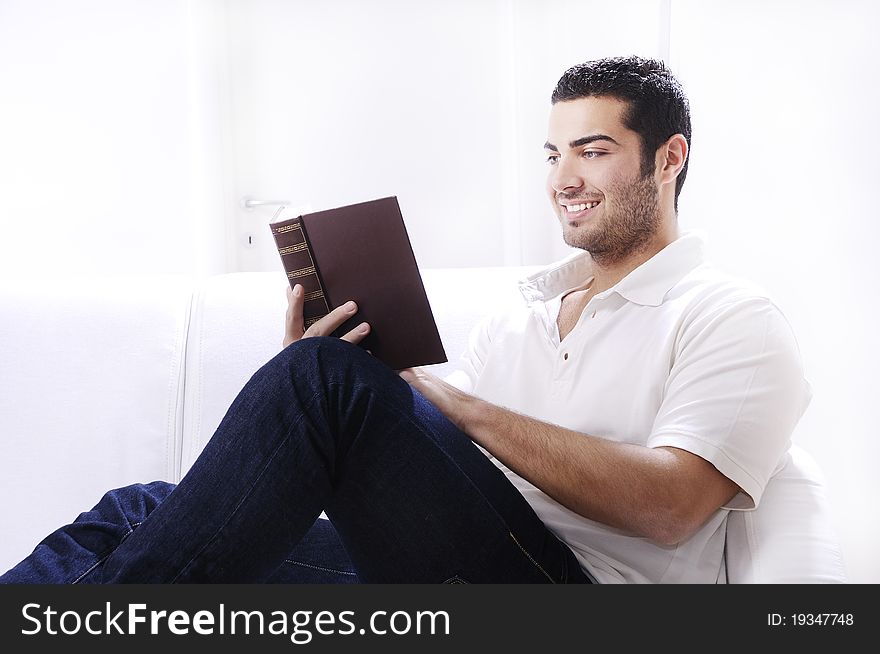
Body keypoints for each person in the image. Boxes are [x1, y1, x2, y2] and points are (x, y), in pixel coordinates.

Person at [0, 55, 809, 584]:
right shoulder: (524, 314)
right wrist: (315, 387)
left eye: (593, 151)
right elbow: (424, 455)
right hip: (451, 563)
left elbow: (672, 509)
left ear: (669, 159)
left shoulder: (730, 316)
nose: (565, 178)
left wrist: (409, 398)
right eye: (553, 155)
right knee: (138, 508)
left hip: (567, 589)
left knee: (324, 385)